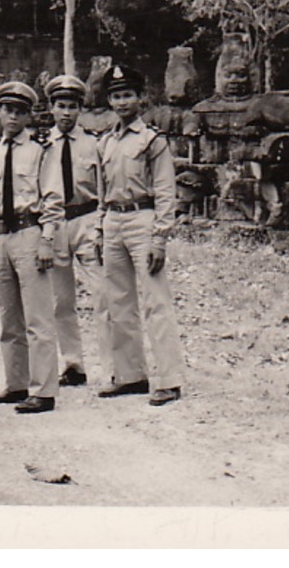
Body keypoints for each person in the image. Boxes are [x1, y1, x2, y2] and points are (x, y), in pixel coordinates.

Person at [95, 65, 186, 407]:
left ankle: (169, 379)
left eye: (128, 95)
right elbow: (102, 193)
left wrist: (160, 236)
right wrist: (100, 228)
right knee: (118, 302)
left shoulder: (152, 140)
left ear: (140, 98)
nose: (122, 102)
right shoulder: (104, 141)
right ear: (109, 100)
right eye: (116, 96)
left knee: (155, 301)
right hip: (113, 222)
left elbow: (165, 191)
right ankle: (130, 375)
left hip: (143, 220)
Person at [0, 81, 65, 414]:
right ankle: (16, 382)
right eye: (8, 109)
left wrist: (48, 239)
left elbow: (53, 199)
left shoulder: (40, 151)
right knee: (8, 318)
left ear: (28, 115)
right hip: (1, 235)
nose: (13, 117)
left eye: (20, 111)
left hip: (29, 231)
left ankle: (44, 390)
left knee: (38, 315)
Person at [41, 74, 101, 388]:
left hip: (87, 219)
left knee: (104, 293)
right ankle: (73, 364)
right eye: (60, 106)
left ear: (80, 109)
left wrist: (101, 224)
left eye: (72, 106)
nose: (66, 113)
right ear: (51, 108)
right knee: (60, 300)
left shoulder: (94, 143)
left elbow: (103, 188)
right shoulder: (41, 145)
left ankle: (118, 364)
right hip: (54, 223)